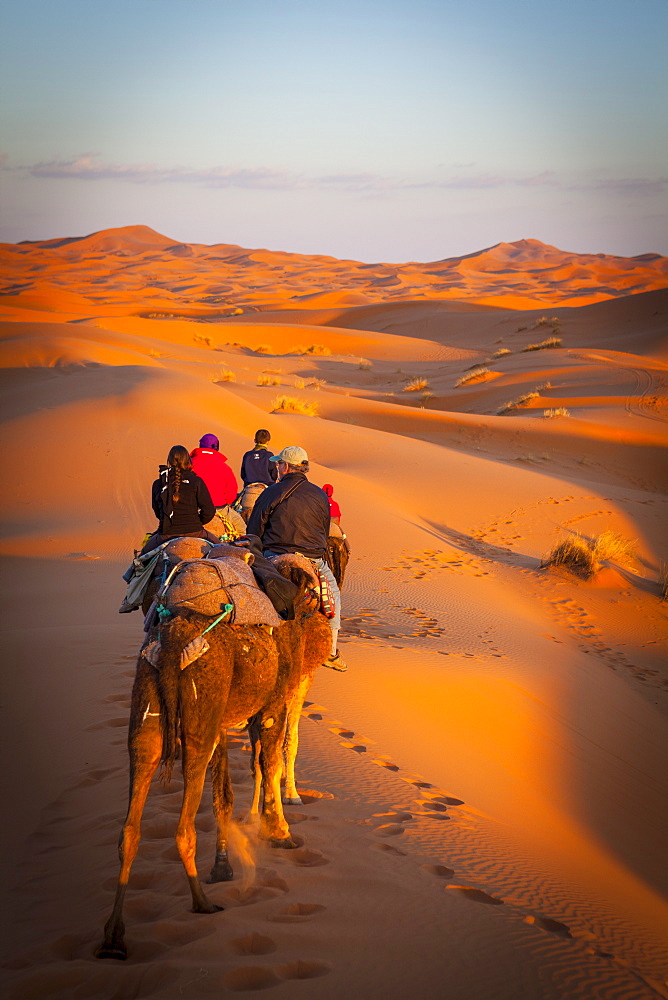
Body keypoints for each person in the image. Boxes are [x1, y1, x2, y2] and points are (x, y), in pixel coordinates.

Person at [247, 445, 347, 672]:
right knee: (334, 594)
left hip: (275, 556)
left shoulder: (270, 492)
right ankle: (331, 652)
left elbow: (254, 530)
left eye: (278, 464)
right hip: (313, 559)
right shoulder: (320, 494)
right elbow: (323, 531)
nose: (276, 468)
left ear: (285, 467)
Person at [118, 445, 217, 612]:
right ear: (188, 461)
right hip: (196, 532)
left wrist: (170, 523)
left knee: (140, 562)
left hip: (165, 535)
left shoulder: (159, 483)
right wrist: (196, 523)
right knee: (226, 551)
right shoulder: (196, 481)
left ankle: (131, 598)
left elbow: (158, 512)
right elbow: (209, 511)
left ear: (169, 462)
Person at [237, 429, 278, 522]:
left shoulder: (247, 455)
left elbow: (243, 474)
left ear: (255, 440)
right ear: (268, 442)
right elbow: (274, 475)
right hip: (265, 494)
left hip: (248, 494)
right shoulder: (269, 456)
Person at [190, 433, 238, 507]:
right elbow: (232, 491)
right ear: (217, 447)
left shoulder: (188, 464)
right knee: (238, 519)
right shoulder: (225, 467)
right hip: (218, 508)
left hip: (192, 507)